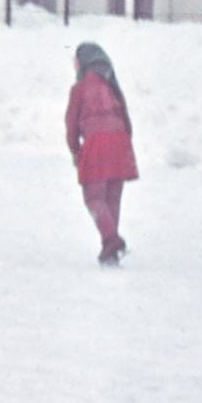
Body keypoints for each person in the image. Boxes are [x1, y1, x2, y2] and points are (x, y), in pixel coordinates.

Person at [64, 42, 139, 267]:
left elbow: (71, 126)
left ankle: (111, 240)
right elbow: (126, 120)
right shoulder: (111, 84)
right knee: (112, 198)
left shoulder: (79, 89)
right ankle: (110, 248)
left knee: (94, 197)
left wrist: (75, 151)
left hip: (97, 143)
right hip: (120, 142)